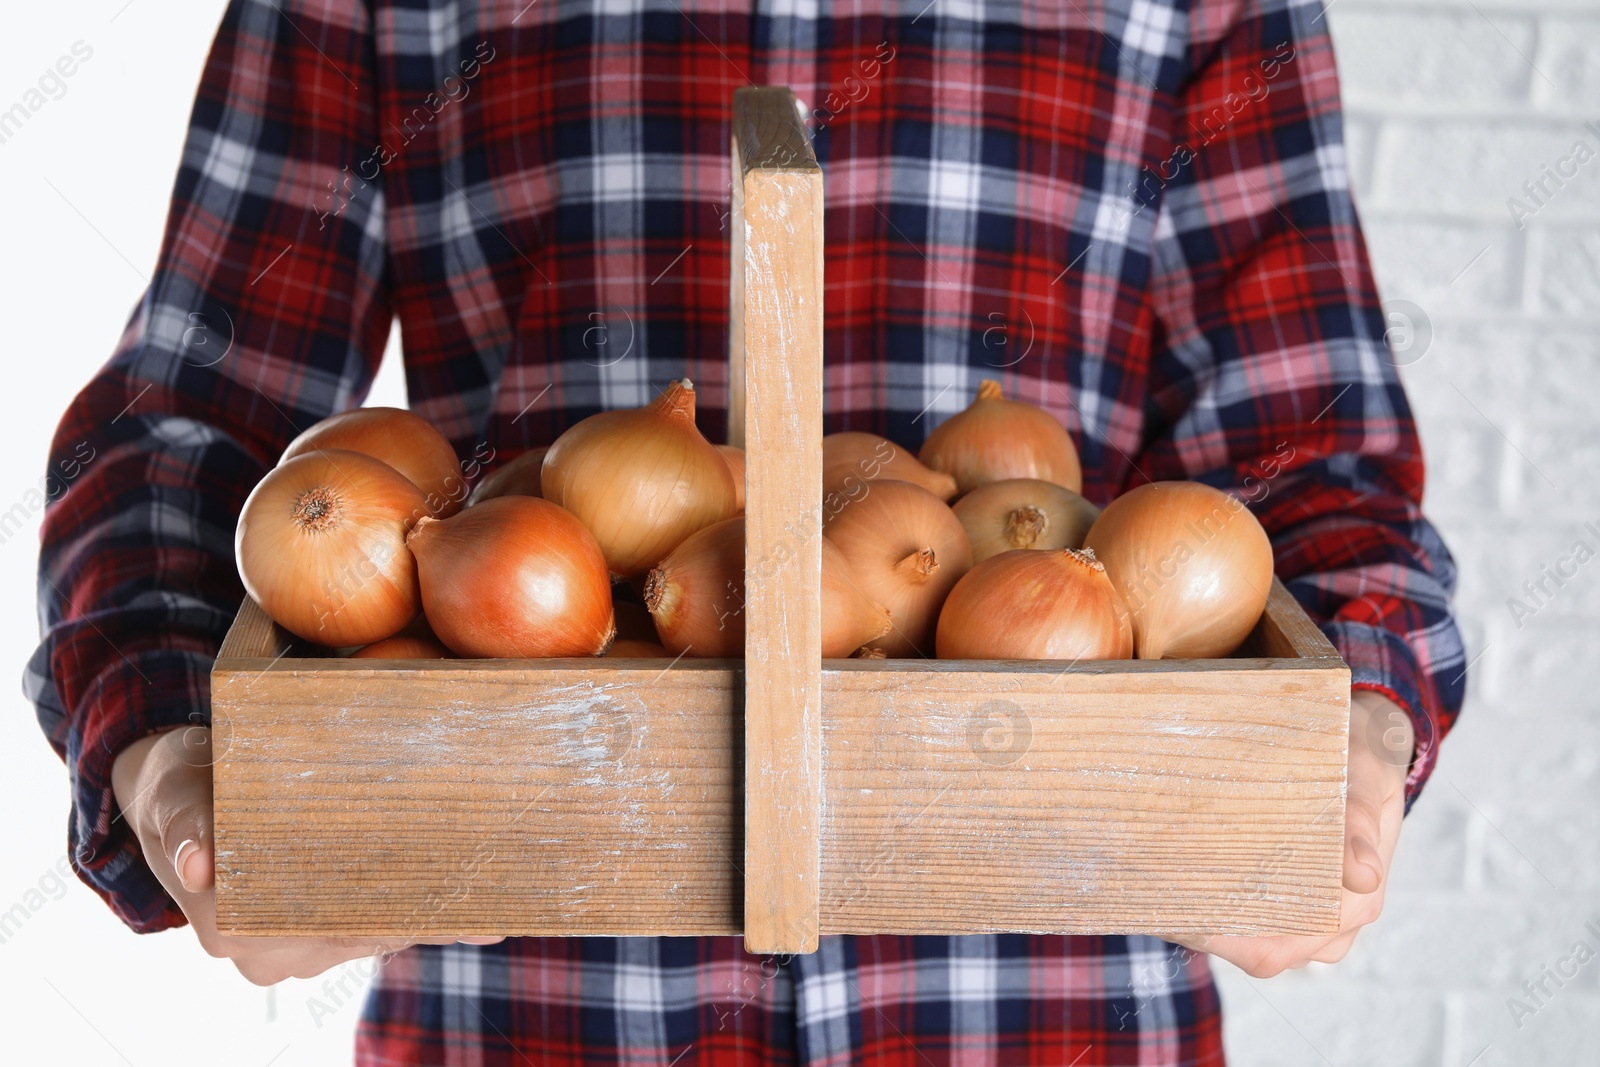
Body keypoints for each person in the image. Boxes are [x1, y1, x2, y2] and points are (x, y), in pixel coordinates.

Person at [28, 0, 1463, 1063]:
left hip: (1056, 1014)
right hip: (522, 1007)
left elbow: (1315, 463)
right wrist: (173, 756)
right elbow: (179, 429)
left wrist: (1359, 722)